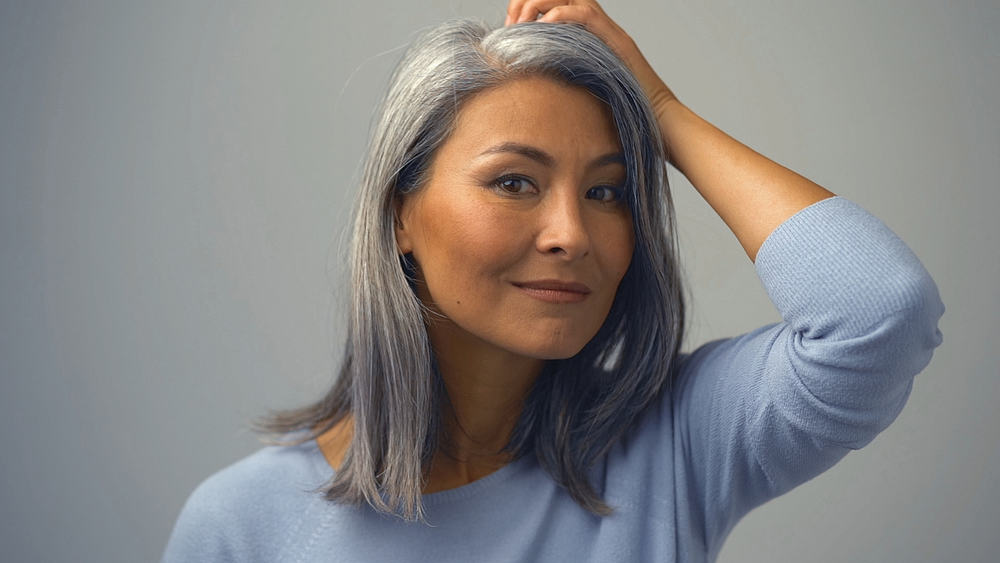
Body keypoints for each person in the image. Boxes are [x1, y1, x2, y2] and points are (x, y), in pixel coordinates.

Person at [163, 1, 944, 561]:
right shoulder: (245, 524)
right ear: (402, 213)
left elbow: (877, 309)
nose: (572, 234)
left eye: (606, 191)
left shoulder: (672, 445)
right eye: (513, 182)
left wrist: (661, 110)